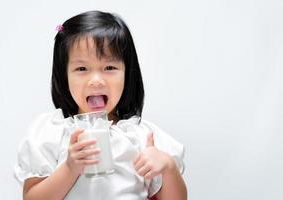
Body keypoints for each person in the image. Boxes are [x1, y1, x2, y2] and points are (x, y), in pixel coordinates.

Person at [14, 10, 187, 200]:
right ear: (65, 76)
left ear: (127, 74)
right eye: (82, 69)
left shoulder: (141, 136)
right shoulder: (52, 133)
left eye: (109, 68)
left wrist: (168, 167)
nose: (96, 80)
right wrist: (70, 168)